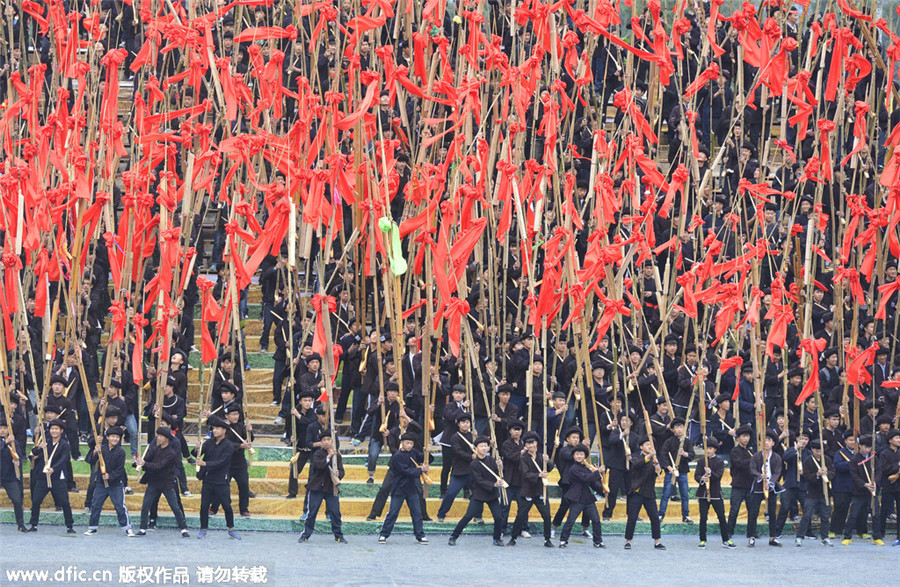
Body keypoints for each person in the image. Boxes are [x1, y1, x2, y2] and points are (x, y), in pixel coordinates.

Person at [448, 436, 506, 547]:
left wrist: (500, 467)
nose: (484, 448)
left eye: (486, 446)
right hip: (479, 493)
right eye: (481, 446)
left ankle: (497, 538)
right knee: (468, 516)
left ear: (488, 448)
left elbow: (499, 475)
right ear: (476, 448)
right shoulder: (474, 464)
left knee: (498, 517)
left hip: (491, 493)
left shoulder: (493, 461)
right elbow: (479, 480)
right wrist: (493, 484)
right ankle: (453, 536)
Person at [132, 427, 190, 538]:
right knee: (145, 506)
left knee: (175, 506)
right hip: (153, 482)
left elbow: (159, 466)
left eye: (161, 436)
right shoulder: (154, 449)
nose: (158, 438)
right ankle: (142, 529)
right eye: (158, 435)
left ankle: (183, 529)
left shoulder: (171, 453)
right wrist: (138, 462)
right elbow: (147, 460)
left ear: (167, 438)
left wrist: (145, 464)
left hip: (166, 483)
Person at [378, 431, 429, 545]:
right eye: (407, 443)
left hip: (412, 488)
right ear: (402, 443)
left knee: (417, 512)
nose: (409, 445)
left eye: (411, 443)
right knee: (393, 512)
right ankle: (384, 534)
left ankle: (420, 535)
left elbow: (427, 459)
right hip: (399, 488)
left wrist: (427, 452)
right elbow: (406, 471)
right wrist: (421, 469)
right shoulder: (397, 456)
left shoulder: (414, 452)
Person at [27, 418, 75, 533]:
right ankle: (34, 525)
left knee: (64, 502)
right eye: (52, 429)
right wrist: (39, 447)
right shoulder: (45, 441)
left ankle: (69, 526)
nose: (54, 431)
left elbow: (63, 460)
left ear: (61, 431)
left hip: (57, 477)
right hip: (43, 477)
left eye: (56, 429)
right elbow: (33, 453)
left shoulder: (64, 445)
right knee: (36, 501)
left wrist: (54, 468)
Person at [298, 430, 346, 543]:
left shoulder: (337, 456)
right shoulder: (317, 454)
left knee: (335, 513)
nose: (326, 442)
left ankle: (338, 535)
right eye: (324, 440)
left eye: (328, 439)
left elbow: (342, 471)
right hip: (317, 488)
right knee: (312, 512)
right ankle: (305, 535)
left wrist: (339, 474)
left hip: (331, 488)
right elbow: (319, 466)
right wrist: (329, 456)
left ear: (332, 441)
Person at [508, 431, 554, 547]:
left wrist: (548, 461)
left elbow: (549, 469)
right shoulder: (523, 458)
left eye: (533, 443)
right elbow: (525, 473)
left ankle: (547, 539)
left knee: (547, 516)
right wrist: (538, 475)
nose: (531, 446)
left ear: (537, 443)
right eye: (528, 444)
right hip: (528, 490)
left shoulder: (541, 456)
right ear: (525, 445)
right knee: (521, 516)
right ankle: (513, 537)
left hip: (540, 490)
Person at [197, 417, 241, 540]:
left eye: (217, 428)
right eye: (214, 428)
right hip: (208, 479)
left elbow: (222, 461)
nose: (214, 430)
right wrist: (197, 448)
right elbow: (198, 454)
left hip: (221, 480)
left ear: (224, 430)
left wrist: (206, 464)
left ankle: (231, 529)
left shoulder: (228, 445)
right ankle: (203, 528)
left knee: (227, 505)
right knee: (204, 506)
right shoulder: (209, 442)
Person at [84, 426, 133, 536]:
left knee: (120, 506)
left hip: (115, 484)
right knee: (96, 504)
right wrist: (94, 452)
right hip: (101, 483)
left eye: (117, 437)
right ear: (107, 437)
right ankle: (92, 527)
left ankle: (127, 528)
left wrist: (110, 476)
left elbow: (120, 469)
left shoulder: (121, 452)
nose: (115, 439)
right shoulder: (101, 449)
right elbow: (89, 460)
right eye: (112, 437)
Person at [209, 404, 253, 518]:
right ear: (226, 416)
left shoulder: (241, 427)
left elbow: (248, 439)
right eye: (232, 414)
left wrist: (250, 431)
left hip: (240, 463)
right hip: (226, 464)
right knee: (221, 487)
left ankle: (244, 509)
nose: (235, 416)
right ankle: (213, 508)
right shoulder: (223, 428)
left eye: (237, 414)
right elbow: (226, 444)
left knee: (244, 486)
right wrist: (240, 446)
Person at [624, 436, 665, 549]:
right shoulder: (637, 456)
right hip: (636, 492)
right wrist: (649, 456)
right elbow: (636, 465)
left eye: (650, 444)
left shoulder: (654, 458)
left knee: (655, 518)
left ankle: (657, 541)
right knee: (632, 518)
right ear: (641, 446)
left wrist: (657, 466)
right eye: (647, 444)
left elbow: (658, 473)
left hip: (649, 493)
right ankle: (628, 541)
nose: (649, 446)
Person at [551, 426, 591, 536]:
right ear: (568, 439)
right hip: (568, 483)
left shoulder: (581, 451)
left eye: (577, 438)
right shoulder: (564, 451)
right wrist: (583, 447)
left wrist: (585, 448)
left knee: (587, 505)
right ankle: (554, 528)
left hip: (581, 482)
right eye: (573, 437)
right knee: (564, 506)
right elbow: (574, 457)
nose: (576, 440)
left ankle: (585, 528)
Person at [695, 437, 735, 548]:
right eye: (706, 448)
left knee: (721, 517)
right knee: (703, 518)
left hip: (716, 493)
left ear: (715, 449)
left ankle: (725, 539)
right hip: (703, 493)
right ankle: (702, 539)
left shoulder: (719, 461)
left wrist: (710, 473)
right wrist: (702, 478)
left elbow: (718, 476)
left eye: (711, 448)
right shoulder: (701, 461)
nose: (708, 450)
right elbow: (696, 476)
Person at [746, 430, 783, 547]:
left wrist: (771, 482)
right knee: (753, 512)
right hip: (758, 486)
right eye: (764, 440)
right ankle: (751, 537)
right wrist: (759, 475)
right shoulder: (756, 456)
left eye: (769, 440)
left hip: (771, 487)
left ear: (773, 443)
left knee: (772, 512)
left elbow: (777, 472)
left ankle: (773, 537)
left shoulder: (777, 457)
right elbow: (752, 469)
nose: (766, 443)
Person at [842, 434, 881, 545]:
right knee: (853, 514)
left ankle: (876, 537)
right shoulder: (855, 459)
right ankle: (847, 536)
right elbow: (853, 475)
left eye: (869, 447)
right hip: (859, 492)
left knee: (875, 514)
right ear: (860, 446)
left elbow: (879, 471)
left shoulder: (873, 457)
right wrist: (864, 484)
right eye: (865, 447)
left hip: (872, 491)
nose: (867, 449)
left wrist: (875, 483)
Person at [436, 413, 475, 521]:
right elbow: (458, 452)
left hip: (472, 472)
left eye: (467, 422)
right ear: (458, 424)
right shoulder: (455, 437)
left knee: (478, 494)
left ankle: (477, 515)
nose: (466, 424)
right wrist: (471, 456)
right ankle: (441, 515)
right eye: (463, 422)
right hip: (459, 472)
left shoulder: (473, 436)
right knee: (451, 494)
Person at [796, 439, 835, 546]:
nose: (819, 453)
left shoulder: (826, 459)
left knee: (825, 516)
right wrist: (817, 474)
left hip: (825, 492)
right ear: (812, 449)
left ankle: (825, 537)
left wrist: (826, 473)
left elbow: (833, 472)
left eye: (821, 450)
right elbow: (807, 476)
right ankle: (799, 537)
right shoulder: (808, 460)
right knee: (807, 515)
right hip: (812, 492)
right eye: (817, 450)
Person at [658, 417, 694, 523]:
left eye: (681, 427)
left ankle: (685, 515)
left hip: (682, 471)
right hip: (670, 471)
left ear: (685, 429)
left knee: (685, 494)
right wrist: (670, 468)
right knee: (666, 494)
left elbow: (692, 454)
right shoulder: (668, 441)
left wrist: (684, 454)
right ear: (673, 429)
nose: (679, 429)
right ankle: (660, 515)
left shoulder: (687, 442)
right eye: (677, 427)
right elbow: (663, 455)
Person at [727, 424, 754, 538]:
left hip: (750, 485)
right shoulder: (734, 451)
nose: (746, 439)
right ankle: (729, 532)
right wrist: (752, 460)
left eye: (747, 436)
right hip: (738, 485)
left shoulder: (750, 451)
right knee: (734, 510)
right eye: (743, 436)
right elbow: (739, 464)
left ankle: (751, 532)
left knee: (752, 511)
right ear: (738, 438)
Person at [0, 413, 26, 531]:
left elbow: (19, 456)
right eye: (0, 428)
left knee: (17, 500)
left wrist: (17, 462)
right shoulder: (5, 442)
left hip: (9, 476)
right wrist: (5, 443)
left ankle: (20, 524)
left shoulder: (14, 443)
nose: (2, 430)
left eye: (5, 428)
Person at [878, 429, 900, 546]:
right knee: (884, 510)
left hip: (899, 485)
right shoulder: (884, 453)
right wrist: (897, 466)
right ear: (890, 440)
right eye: (897, 438)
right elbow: (884, 469)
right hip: (887, 484)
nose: (899, 440)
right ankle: (880, 533)